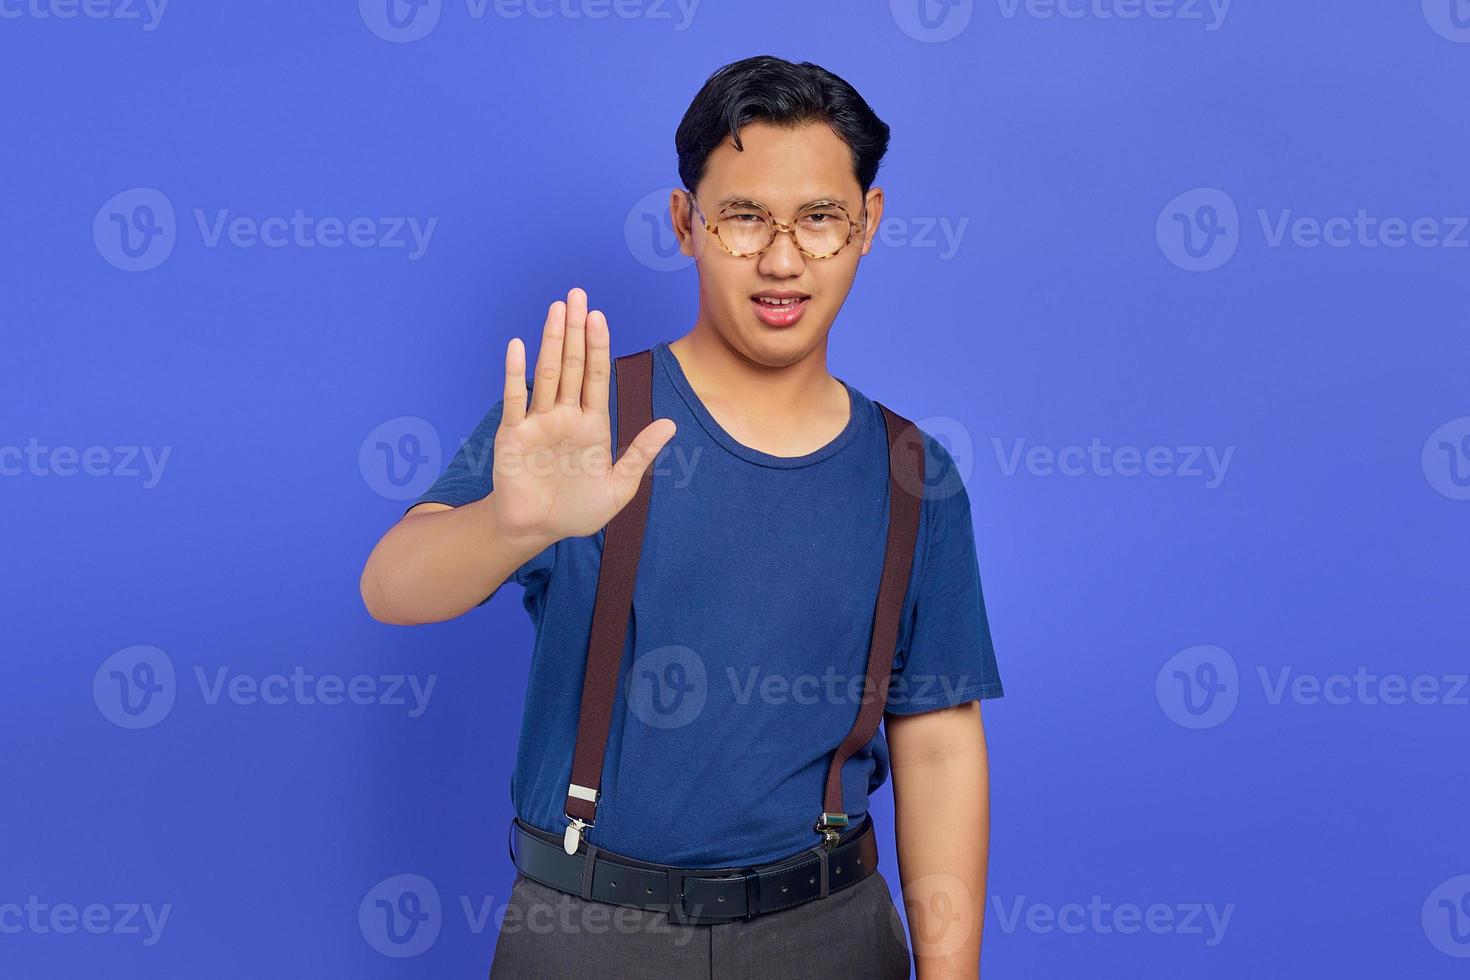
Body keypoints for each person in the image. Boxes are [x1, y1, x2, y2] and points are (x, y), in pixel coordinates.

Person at [360, 54, 1004, 980]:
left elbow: (938, 743)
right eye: (744, 217)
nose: (782, 259)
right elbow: (391, 586)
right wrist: (513, 523)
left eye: (820, 219)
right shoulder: (577, 419)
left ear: (868, 226)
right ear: (685, 223)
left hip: (828, 932)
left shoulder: (912, 473)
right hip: (587, 930)